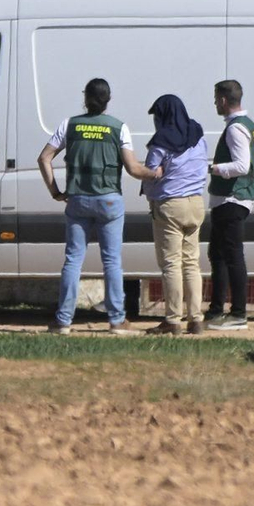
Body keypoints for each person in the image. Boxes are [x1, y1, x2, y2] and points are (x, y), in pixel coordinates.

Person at [38, 78, 147, 335]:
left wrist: (55, 192)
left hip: (77, 199)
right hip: (109, 200)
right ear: (108, 99)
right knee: (111, 261)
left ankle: (63, 321)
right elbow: (132, 168)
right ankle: (117, 320)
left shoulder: (69, 124)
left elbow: (44, 158)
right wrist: (154, 174)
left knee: (73, 260)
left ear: (85, 97)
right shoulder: (119, 127)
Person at [138, 94, 210, 336]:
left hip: (170, 205)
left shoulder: (161, 141)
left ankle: (173, 319)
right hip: (196, 204)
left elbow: (149, 174)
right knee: (191, 263)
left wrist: (152, 187)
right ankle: (196, 319)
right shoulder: (198, 135)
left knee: (171, 264)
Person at [205, 80, 254, 331]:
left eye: (216, 99)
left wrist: (213, 169)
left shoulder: (236, 129)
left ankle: (238, 313)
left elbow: (241, 165)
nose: (215, 103)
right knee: (218, 255)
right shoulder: (246, 125)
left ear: (224, 100)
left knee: (233, 256)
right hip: (231, 199)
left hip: (232, 199)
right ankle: (216, 309)